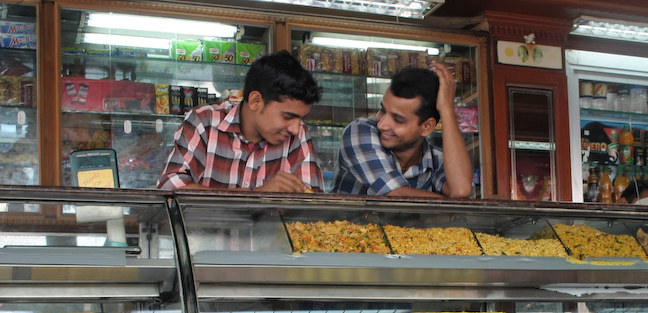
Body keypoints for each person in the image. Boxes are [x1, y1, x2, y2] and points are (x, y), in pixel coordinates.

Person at [158, 51, 323, 193]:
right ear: (256, 101)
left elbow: (311, 203)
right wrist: (258, 195)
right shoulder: (204, 122)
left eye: (301, 118)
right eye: (288, 116)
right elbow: (170, 187)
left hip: (271, 232)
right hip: (202, 230)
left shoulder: (298, 134)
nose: (295, 128)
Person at [332, 63, 473, 198]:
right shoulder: (360, 131)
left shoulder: (437, 160)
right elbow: (394, 195)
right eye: (383, 110)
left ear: (427, 127)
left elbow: (460, 191)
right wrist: (451, 204)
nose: (382, 124)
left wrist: (447, 111)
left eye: (398, 119)